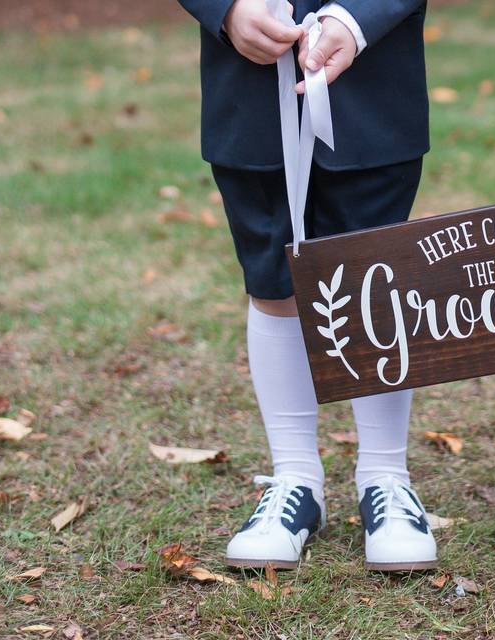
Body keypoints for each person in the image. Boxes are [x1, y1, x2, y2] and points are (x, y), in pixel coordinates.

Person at [176, 0, 437, 572]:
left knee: (375, 274)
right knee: (273, 277)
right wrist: (226, 10)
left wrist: (357, 18)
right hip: (248, 83)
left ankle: (386, 477)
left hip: (375, 77)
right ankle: (296, 478)